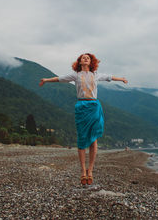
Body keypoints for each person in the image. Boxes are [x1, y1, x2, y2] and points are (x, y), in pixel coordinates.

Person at [39, 53, 128, 185]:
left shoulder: (95, 74)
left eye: (88, 57)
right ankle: (82, 171)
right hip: (81, 107)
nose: (85, 58)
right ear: (80, 61)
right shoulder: (75, 75)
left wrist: (121, 79)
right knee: (81, 139)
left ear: (91, 61)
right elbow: (59, 79)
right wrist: (46, 80)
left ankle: (90, 170)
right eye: (83, 57)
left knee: (93, 139)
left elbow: (109, 77)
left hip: (94, 106)